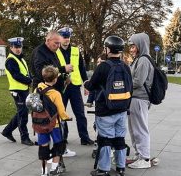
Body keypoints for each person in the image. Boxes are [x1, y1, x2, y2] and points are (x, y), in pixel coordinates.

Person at [84, 36, 131, 176]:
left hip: (105, 110)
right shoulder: (125, 66)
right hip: (122, 109)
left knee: (105, 139)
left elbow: (91, 85)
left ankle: (103, 169)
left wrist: (86, 83)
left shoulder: (103, 66)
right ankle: (121, 167)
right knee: (119, 138)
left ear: (108, 49)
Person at [31, 30, 76, 157]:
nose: (58, 46)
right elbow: (42, 72)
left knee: (56, 121)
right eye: (56, 43)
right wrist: (63, 69)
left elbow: (53, 70)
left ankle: (60, 149)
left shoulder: (52, 51)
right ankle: (53, 151)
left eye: (59, 43)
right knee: (48, 120)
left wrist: (63, 77)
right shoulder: (40, 52)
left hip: (53, 90)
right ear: (48, 40)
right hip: (44, 94)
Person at [56, 27, 94, 146]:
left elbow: (82, 69)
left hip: (75, 86)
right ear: (59, 38)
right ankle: (63, 137)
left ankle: (84, 137)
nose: (66, 39)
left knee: (80, 113)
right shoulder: (55, 51)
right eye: (64, 37)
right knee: (61, 113)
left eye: (68, 37)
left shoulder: (76, 50)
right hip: (61, 87)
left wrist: (86, 84)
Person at [37, 65, 71, 176]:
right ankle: (54, 169)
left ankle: (43, 171)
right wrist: (67, 117)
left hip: (40, 124)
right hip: (53, 124)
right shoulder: (56, 94)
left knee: (43, 148)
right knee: (58, 146)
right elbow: (61, 111)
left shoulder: (38, 88)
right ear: (55, 79)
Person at [127, 33, 154, 169]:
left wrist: (123, 85)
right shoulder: (138, 59)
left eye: (133, 46)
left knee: (140, 129)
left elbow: (138, 81)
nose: (131, 49)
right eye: (130, 46)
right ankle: (139, 154)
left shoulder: (143, 60)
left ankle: (145, 158)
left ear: (140, 45)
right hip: (135, 98)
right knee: (133, 129)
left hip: (139, 98)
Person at [1, 37, 34, 146]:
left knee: (21, 112)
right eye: (15, 47)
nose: (18, 49)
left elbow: (26, 73)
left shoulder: (21, 59)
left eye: (19, 47)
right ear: (11, 47)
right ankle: (24, 138)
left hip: (23, 90)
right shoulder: (11, 60)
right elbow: (16, 76)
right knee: (23, 114)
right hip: (17, 91)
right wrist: (30, 81)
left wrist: (32, 78)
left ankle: (7, 131)